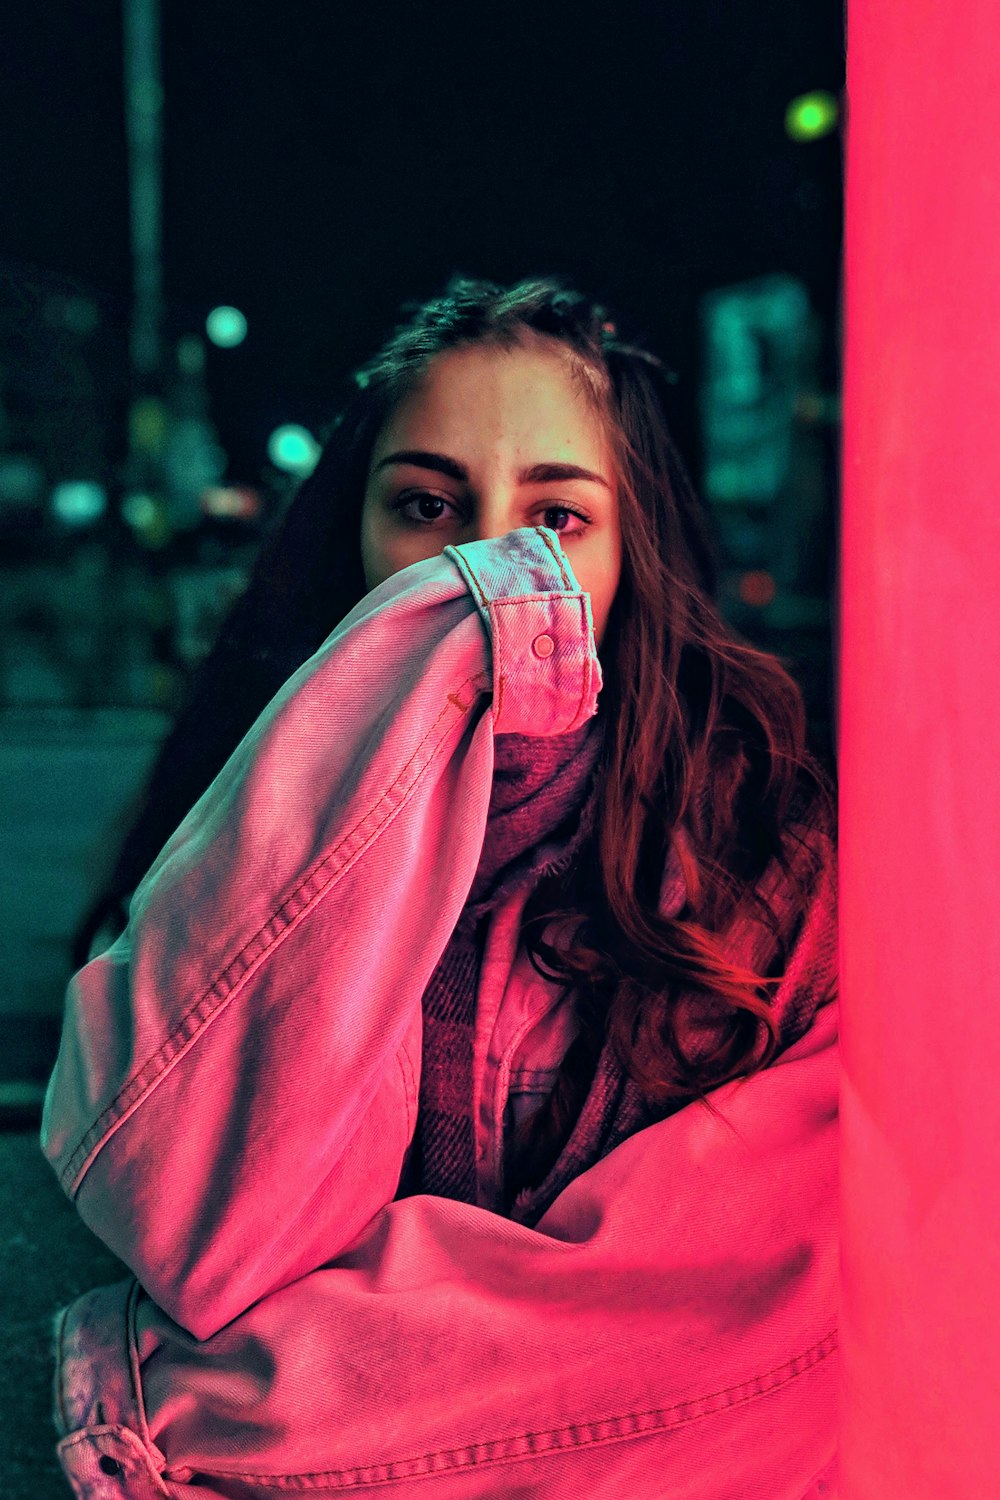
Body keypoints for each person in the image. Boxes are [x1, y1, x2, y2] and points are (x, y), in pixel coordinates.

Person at [43, 276, 839, 1498]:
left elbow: (749, 1322)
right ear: (354, 542)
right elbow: (202, 1232)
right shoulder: (243, 818)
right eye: (427, 506)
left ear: (635, 555)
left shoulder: (763, 856)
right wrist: (363, 749)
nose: (491, 566)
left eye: (558, 521)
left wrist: (188, 1405)